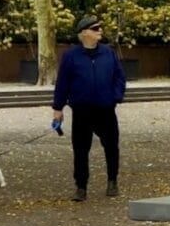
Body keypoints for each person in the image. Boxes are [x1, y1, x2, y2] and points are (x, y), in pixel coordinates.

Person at [52, 14, 127, 202]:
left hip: (105, 109)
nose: (100, 31)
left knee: (111, 146)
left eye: (100, 28)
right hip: (82, 110)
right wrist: (58, 108)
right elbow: (63, 83)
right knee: (80, 149)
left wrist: (115, 96)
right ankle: (81, 186)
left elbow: (119, 77)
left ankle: (112, 180)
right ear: (84, 33)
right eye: (95, 29)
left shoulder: (108, 52)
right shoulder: (71, 56)